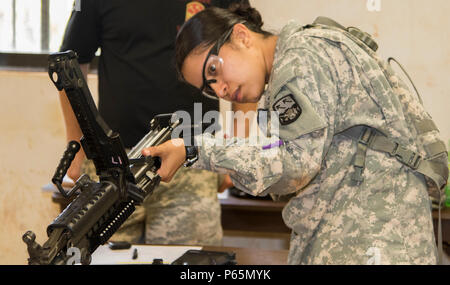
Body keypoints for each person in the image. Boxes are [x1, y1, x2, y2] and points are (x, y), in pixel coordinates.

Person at [142, 4, 449, 264]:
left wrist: (195, 150)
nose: (220, 88)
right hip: (361, 233)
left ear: (241, 36)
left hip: (374, 239)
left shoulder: (299, 59)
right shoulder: (290, 69)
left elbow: (294, 165)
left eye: (214, 70)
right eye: (208, 88)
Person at [58, 0, 247, 246]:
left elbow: (246, 60)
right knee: (101, 257)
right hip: (115, 165)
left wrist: (238, 149)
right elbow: (69, 64)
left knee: (192, 263)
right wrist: (77, 145)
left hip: (192, 162)